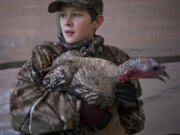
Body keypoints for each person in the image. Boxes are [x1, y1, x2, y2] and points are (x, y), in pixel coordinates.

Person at [10, 0, 145, 135]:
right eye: (63, 15)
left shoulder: (118, 60)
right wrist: (80, 110)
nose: (67, 22)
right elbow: (18, 111)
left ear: (97, 21)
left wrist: (130, 105)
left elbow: (136, 125)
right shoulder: (44, 55)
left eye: (76, 15)